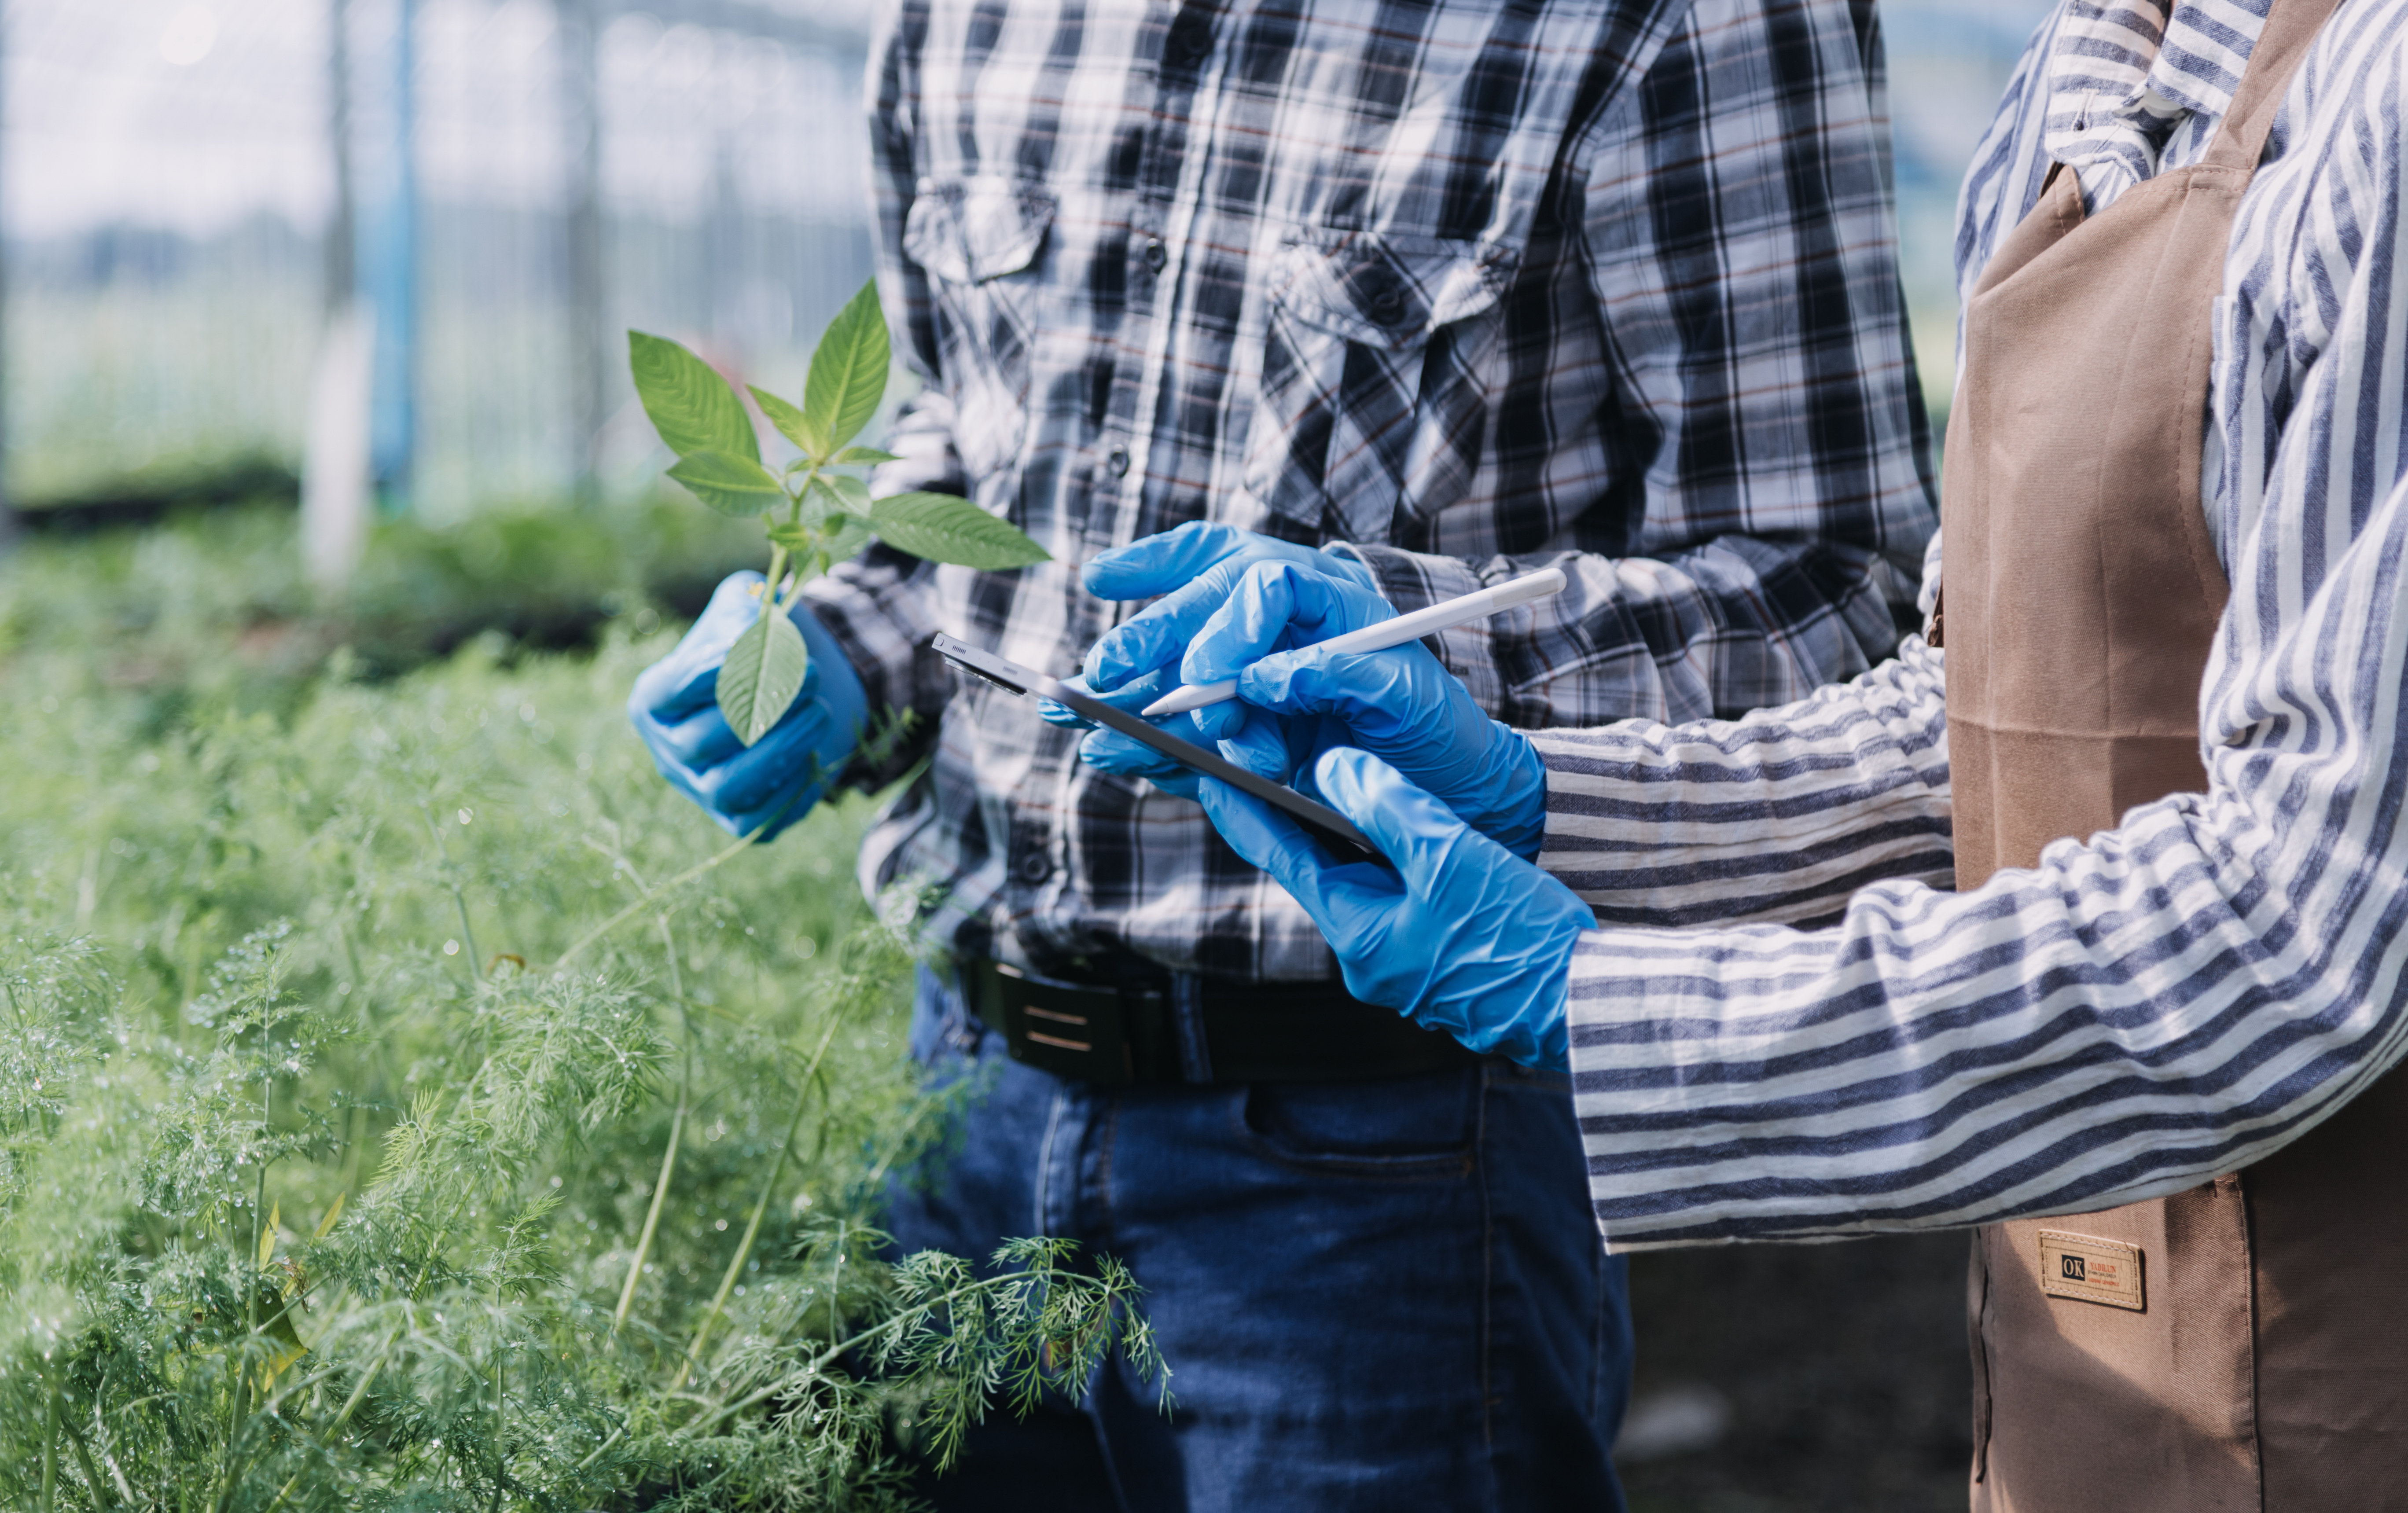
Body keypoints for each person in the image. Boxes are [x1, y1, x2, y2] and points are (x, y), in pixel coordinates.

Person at [629, 0, 1937, 1504]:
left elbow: (1836, 583)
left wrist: (1389, 649)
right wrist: (847, 641)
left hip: (1375, 1158)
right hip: (951, 1106)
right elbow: (970, 430)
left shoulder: (1672, 24)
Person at [1130, 0, 2408, 1506]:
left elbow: (2313, 924)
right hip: (2099, 1345)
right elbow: (1988, 723)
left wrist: (1614, 1011)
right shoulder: (2089, 75)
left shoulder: (2380, 104)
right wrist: (1552, 798)